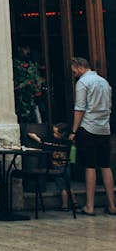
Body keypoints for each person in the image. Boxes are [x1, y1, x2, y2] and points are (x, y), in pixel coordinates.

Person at [69, 57, 116, 217]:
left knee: (90, 166)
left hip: (88, 128)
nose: (74, 73)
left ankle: (90, 206)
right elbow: (109, 106)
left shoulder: (83, 83)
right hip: (104, 129)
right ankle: (112, 205)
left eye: (74, 69)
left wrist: (74, 131)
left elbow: (80, 108)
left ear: (80, 66)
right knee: (105, 166)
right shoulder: (104, 82)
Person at [27, 121, 79, 212]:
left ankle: (65, 205)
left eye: (55, 133)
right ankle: (75, 203)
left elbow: (44, 143)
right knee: (68, 185)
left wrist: (34, 137)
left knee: (62, 187)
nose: (54, 134)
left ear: (62, 134)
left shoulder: (55, 143)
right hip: (67, 165)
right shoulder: (68, 143)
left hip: (58, 166)